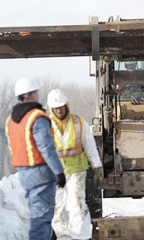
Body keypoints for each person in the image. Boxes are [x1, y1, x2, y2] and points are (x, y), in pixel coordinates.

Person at [5, 78, 66, 240]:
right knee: (41, 218)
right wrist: (59, 172)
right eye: (36, 92)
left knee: (38, 213)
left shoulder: (11, 120)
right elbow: (46, 147)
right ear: (31, 95)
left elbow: (13, 147)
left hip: (25, 173)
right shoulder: (36, 117)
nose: (38, 95)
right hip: (40, 173)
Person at [47, 88, 103, 240]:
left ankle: (82, 237)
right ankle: (62, 236)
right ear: (51, 109)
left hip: (76, 172)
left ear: (66, 106)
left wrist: (97, 167)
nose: (59, 111)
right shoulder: (47, 126)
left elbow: (90, 146)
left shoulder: (78, 123)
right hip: (57, 174)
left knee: (76, 205)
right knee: (59, 208)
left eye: (61, 107)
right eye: (56, 108)